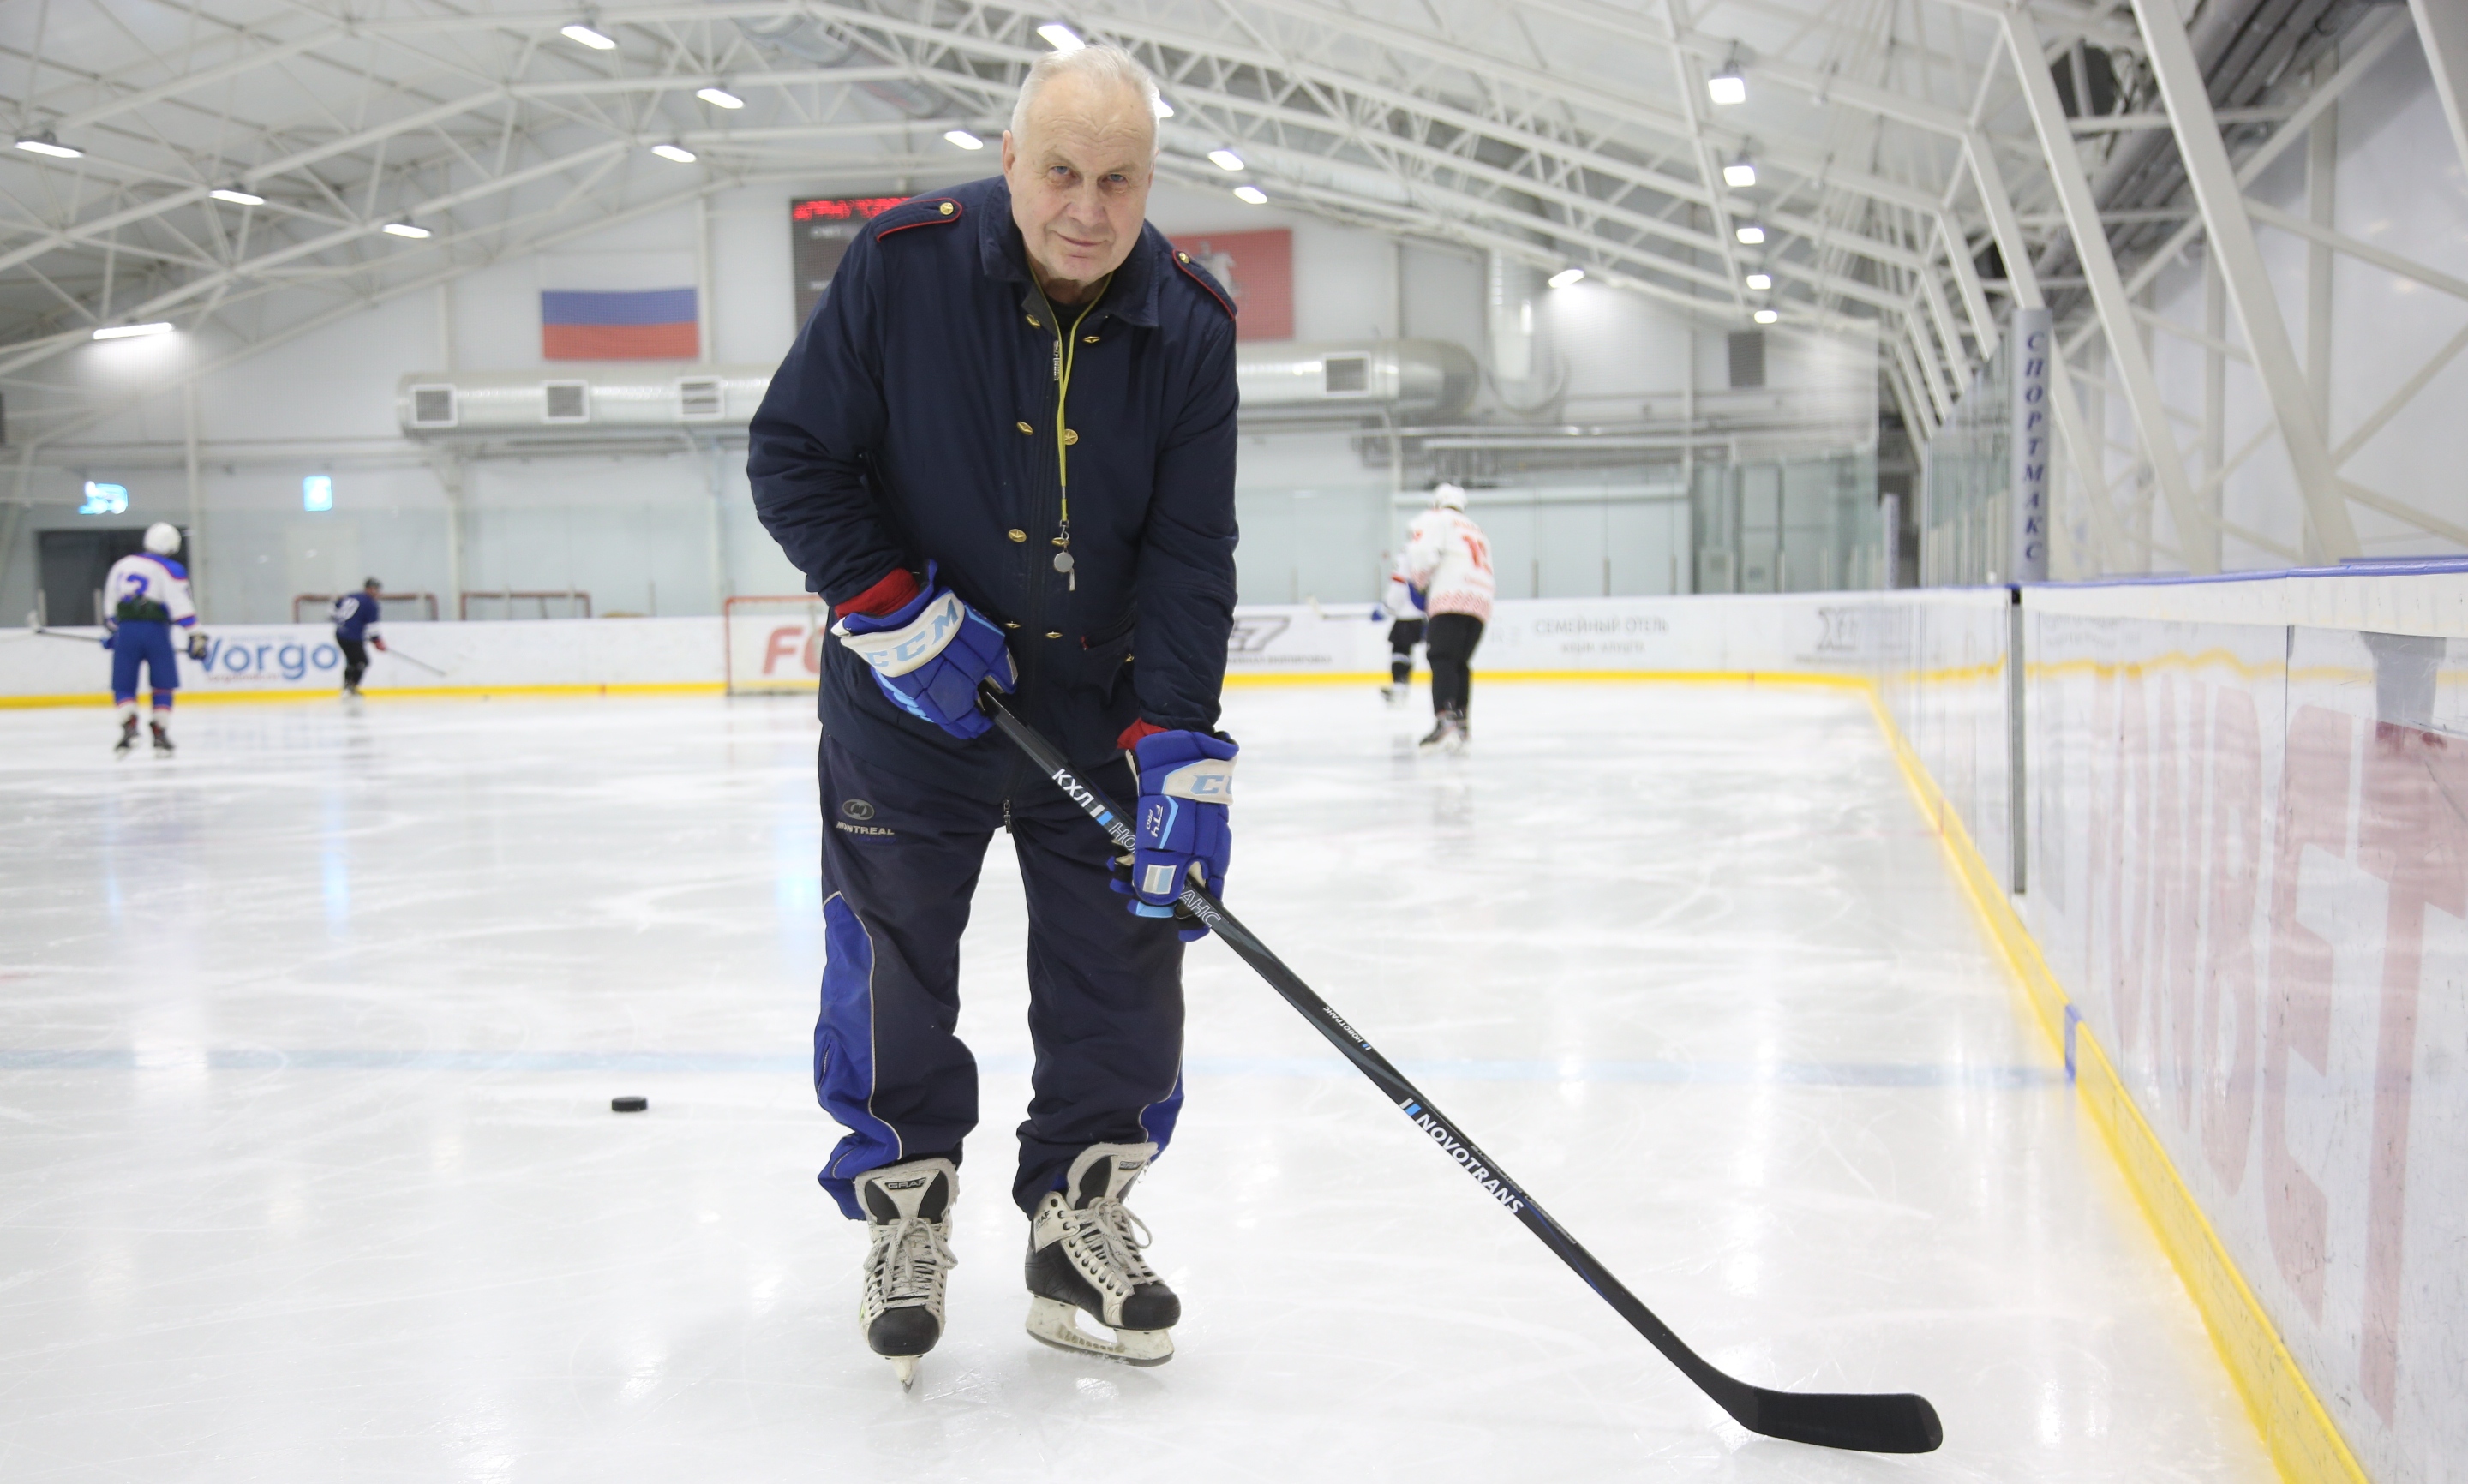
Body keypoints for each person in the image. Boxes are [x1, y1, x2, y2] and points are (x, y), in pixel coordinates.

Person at [746, 42, 1238, 1389]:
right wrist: (893, 607)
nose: (1089, 207)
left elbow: (1194, 553)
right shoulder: (903, 269)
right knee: (893, 970)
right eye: (1063, 172)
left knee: (1126, 974)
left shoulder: (1191, 325)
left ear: (1152, 181)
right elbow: (794, 456)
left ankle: (1077, 1218)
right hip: (913, 711)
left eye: (1121, 180)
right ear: (1012, 162)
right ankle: (905, 1206)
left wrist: (1179, 745)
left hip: (1095, 717)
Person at [1402, 483, 1494, 751]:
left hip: (1452, 595)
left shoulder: (1438, 520)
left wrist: (1419, 582)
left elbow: (1422, 553)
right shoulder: (1477, 529)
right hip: (1481, 600)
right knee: (1460, 662)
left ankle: (1445, 721)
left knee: (1441, 657)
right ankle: (1462, 723)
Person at [101, 523, 205, 757]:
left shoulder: (122, 565)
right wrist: (195, 633)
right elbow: (180, 604)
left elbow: (110, 606)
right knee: (163, 683)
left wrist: (114, 632)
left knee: (123, 684)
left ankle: (128, 724)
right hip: (157, 632)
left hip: (126, 631)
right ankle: (160, 732)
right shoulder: (169, 568)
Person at [1375, 551, 1425, 706]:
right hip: (1422, 613)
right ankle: (1402, 687)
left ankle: (1399, 688)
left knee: (1399, 649)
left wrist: (1386, 608)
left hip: (1406, 613)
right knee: (1406, 650)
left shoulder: (1405, 556)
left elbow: (1398, 586)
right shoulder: (1426, 554)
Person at [331, 578, 386, 696]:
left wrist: (345, 624)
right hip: (352, 637)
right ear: (369, 589)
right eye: (375, 589)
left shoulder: (352, 596)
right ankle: (351, 687)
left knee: (352, 661)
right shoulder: (371, 604)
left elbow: (333, 611)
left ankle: (347, 687)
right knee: (362, 661)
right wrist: (377, 641)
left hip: (340, 634)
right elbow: (372, 628)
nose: (377, 592)